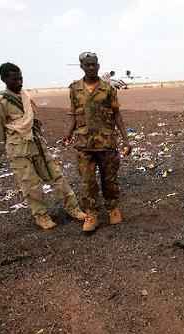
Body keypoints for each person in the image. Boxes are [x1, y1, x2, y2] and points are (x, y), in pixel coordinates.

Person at [0, 63, 86, 229]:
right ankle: (42, 216)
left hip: (38, 145)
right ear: (4, 79)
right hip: (19, 150)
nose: (19, 82)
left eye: (21, 78)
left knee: (57, 176)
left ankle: (73, 208)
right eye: (15, 79)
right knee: (30, 185)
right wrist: (16, 140)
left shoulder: (25, 96)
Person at [66, 52, 131, 232]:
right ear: (82, 66)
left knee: (109, 179)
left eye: (94, 64)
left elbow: (117, 114)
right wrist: (68, 133)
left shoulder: (108, 89)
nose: (92, 68)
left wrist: (126, 140)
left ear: (98, 65)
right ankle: (91, 214)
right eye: (88, 65)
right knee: (87, 181)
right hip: (84, 144)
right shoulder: (74, 89)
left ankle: (112, 208)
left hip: (106, 142)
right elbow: (73, 114)